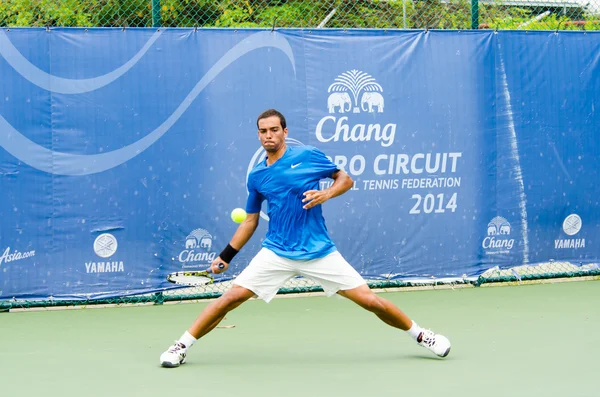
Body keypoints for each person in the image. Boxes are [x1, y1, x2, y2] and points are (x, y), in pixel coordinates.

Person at [160, 109, 451, 367]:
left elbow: (345, 179)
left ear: (285, 132)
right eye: (263, 131)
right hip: (277, 251)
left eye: (274, 130)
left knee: (371, 302)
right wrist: (226, 255)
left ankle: (422, 335)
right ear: (258, 135)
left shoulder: (308, 156)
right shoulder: (257, 176)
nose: (268, 135)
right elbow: (250, 221)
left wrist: (326, 193)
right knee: (230, 299)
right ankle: (182, 345)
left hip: (318, 250)